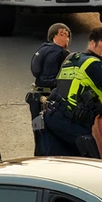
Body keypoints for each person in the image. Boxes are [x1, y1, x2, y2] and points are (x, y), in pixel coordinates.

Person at [42, 28, 102, 158]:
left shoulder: (72, 58)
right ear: (93, 43)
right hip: (71, 121)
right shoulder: (93, 63)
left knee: (60, 161)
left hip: (51, 116)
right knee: (91, 161)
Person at [27, 24, 71, 156]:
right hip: (51, 99)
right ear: (60, 34)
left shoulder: (42, 49)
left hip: (36, 98)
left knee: (38, 130)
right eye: (67, 35)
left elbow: (37, 71)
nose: (68, 40)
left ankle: (38, 155)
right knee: (51, 134)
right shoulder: (62, 54)